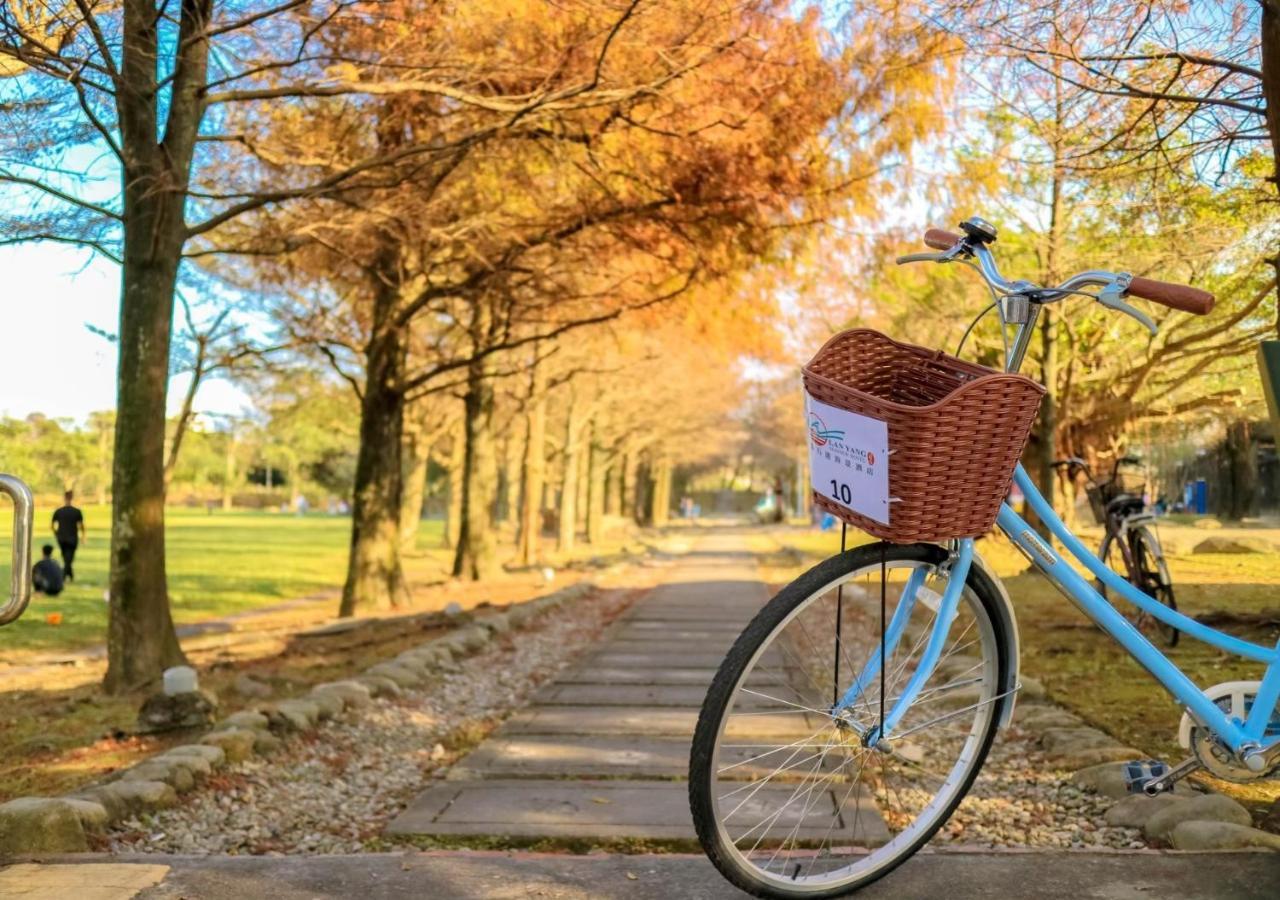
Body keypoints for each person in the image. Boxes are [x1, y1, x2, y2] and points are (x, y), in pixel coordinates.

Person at [51, 490, 85, 582]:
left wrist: (56, 534)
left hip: (61, 538)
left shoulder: (58, 511)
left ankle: (70, 576)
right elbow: (81, 526)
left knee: (66, 558)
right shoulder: (77, 512)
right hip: (72, 538)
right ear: (72, 498)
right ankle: (64, 576)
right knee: (69, 559)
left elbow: (52, 525)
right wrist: (83, 536)